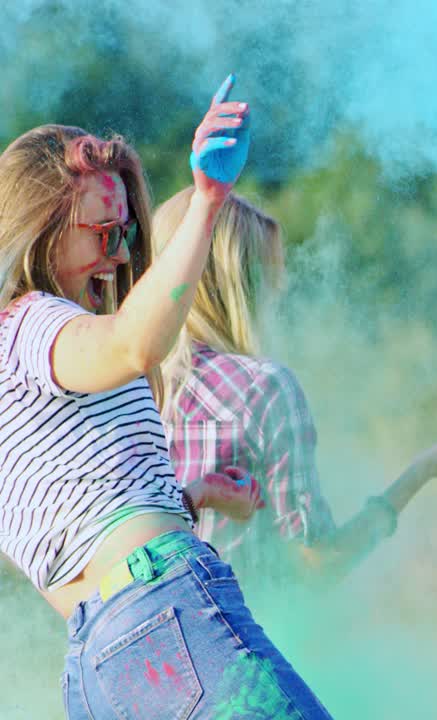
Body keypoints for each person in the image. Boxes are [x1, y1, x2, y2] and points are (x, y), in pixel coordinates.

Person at [0, 75, 338, 718]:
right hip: (161, 613)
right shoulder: (32, 321)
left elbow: (78, 532)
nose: (118, 255)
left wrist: (196, 495)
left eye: (125, 232)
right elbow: (135, 344)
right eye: (103, 233)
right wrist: (208, 201)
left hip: (97, 665)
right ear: (42, 228)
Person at [151, 186, 437, 583]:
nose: (276, 292)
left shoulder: (119, 387)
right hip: (226, 636)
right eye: (266, 278)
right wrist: (425, 469)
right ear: (237, 287)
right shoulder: (263, 388)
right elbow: (319, 563)